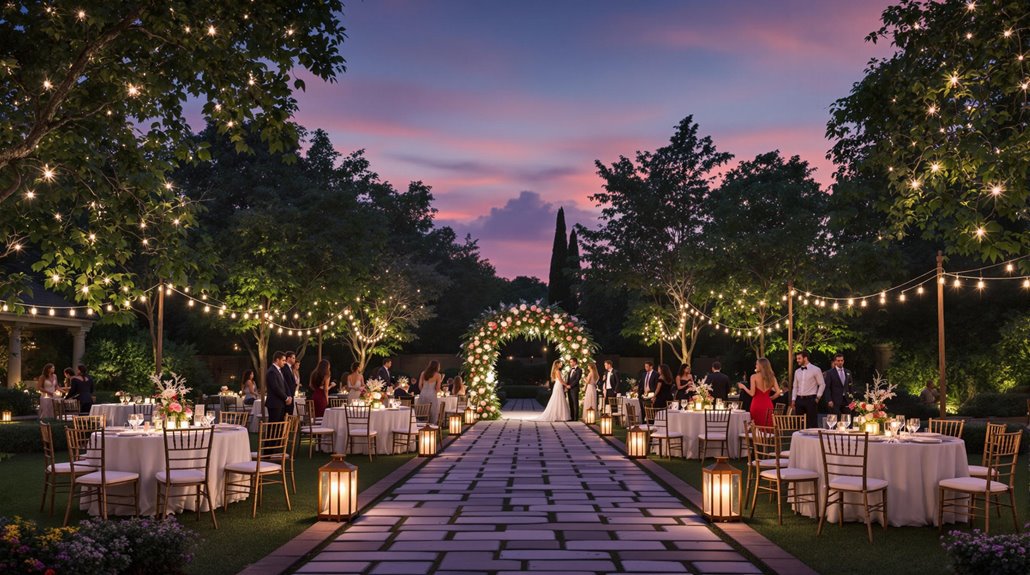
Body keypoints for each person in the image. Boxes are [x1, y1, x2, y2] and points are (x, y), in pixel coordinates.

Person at [737, 357, 782, 427]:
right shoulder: (772, 378)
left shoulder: (754, 377)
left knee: (756, 426)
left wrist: (744, 387)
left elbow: (752, 393)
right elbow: (778, 392)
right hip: (768, 404)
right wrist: (770, 398)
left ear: (761, 366)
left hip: (756, 405)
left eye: (757, 364)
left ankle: (757, 438)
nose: (756, 366)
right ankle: (768, 438)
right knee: (768, 425)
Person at [790, 350, 825, 429]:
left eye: (799, 358)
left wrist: (818, 398)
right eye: (797, 358)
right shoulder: (797, 372)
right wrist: (793, 399)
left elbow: (822, 384)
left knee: (812, 423)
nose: (797, 360)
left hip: (811, 399)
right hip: (799, 399)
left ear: (805, 358)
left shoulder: (816, 369)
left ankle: (814, 440)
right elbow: (795, 386)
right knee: (799, 424)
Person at [265, 351, 290, 424]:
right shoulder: (272, 371)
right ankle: (272, 436)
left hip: (280, 403)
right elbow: (275, 388)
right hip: (274, 403)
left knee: (279, 427)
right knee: (273, 426)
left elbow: (284, 384)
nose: (285, 362)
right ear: (277, 360)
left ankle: (278, 436)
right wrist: (286, 398)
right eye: (283, 360)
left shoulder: (279, 370)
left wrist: (289, 396)